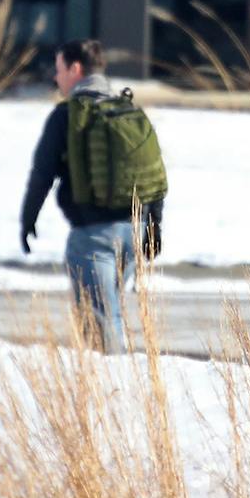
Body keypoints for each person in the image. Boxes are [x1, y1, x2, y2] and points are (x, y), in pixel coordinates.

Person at [19, 39, 166, 352]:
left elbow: (42, 174)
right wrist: (153, 227)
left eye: (58, 70)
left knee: (100, 324)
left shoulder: (66, 116)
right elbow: (152, 172)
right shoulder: (128, 110)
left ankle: (107, 392)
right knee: (112, 315)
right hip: (134, 233)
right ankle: (119, 388)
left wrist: (27, 220)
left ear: (75, 69)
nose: (55, 79)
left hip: (93, 237)